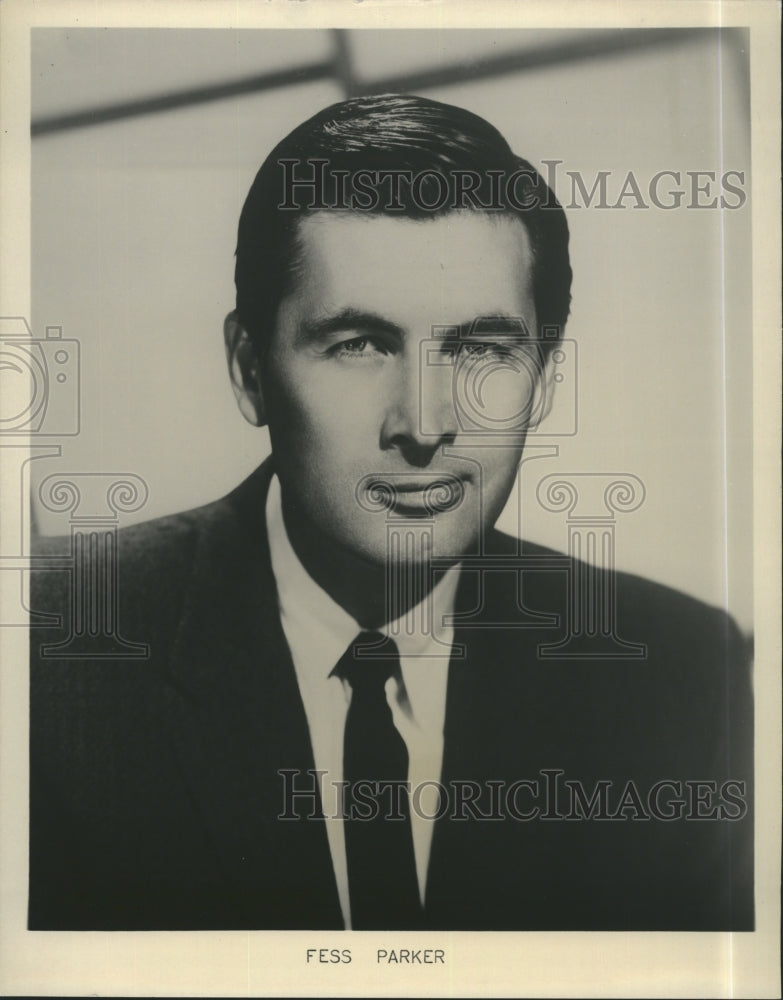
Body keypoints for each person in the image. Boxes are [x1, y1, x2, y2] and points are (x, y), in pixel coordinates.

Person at [28, 94, 753, 931]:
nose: (424, 423)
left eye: (482, 350)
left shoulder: (679, 674)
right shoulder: (48, 655)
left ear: (547, 380)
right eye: (359, 344)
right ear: (248, 369)